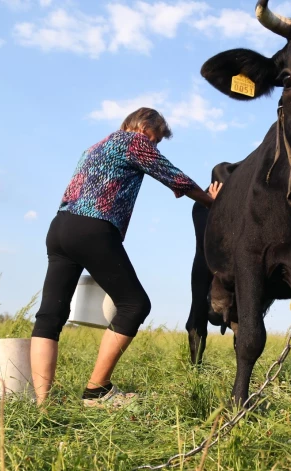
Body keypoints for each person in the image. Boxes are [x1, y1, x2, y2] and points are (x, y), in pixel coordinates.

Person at [30, 107, 222, 407]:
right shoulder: (134, 142)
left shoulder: (96, 147)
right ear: (145, 126)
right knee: (135, 305)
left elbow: (160, 174)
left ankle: (42, 402)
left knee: (49, 316)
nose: (154, 146)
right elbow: (174, 176)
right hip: (92, 228)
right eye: (155, 140)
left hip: (59, 228)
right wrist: (209, 198)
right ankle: (97, 390)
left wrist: (173, 183)